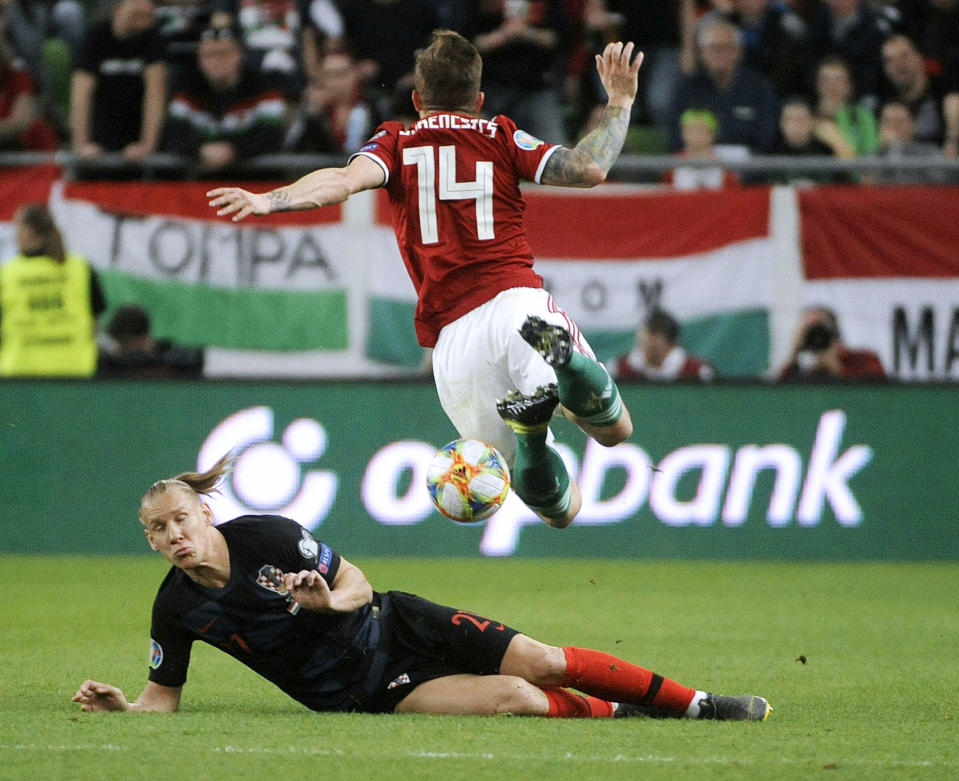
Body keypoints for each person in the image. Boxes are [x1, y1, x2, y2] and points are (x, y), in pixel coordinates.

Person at [208, 30, 639, 529]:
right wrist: (621, 100)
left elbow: (342, 182)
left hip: (455, 343)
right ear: (478, 100)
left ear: (416, 99)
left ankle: (532, 435)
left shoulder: (394, 141)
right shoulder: (499, 134)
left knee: (558, 513)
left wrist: (271, 199)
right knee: (615, 431)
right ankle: (563, 365)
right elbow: (587, 168)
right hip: (519, 308)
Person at [72, 455, 772, 721]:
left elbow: (356, 582)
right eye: (158, 530)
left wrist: (327, 598)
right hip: (362, 689)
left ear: (205, 513)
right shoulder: (177, 607)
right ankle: (621, 714)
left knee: (547, 663)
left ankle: (702, 705)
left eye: (180, 519)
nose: (173, 535)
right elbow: (162, 699)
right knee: (518, 699)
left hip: (397, 622)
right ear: (151, 540)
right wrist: (123, 706)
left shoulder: (269, 534)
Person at [161, 23, 286, 174]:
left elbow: (272, 135)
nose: (216, 61)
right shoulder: (186, 88)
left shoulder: (264, 87)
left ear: (239, 55)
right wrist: (199, 150)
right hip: (200, 182)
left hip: (254, 180)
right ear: (199, 60)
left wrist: (234, 151)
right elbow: (172, 135)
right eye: (209, 55)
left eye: (223, 54)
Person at [0, 203, 106, 377]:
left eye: (16, 229)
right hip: (75, 370)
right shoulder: (80, 268)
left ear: (29, 232)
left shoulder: (7, 274)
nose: (15, 236)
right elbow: (95, 323)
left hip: (20, 374)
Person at [667, 15, 779, 155]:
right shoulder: (686, 88)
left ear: (737, 52)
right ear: (702, 53)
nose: (718, 54)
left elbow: (766, 138)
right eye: (712, 48)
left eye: (725, 48)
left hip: (748, 168)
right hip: (697, 166)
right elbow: (675, 139)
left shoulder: (759, 88)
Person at [70, 0, 167, 161]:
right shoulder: (96, 37)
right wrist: (81, 143)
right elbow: (81, 93)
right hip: (100, 137)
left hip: (136, 135)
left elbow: (155, 92)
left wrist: (147, 144)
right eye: (136, 13)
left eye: (148, 15)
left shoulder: (154, 39)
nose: (143, 20)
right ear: (117, 10)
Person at [879, 34, 959, 155]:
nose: (898, 64)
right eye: (889, 60)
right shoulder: (885, 100)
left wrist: (953, 134)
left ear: (919, 56)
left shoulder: (944, 94)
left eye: (904, 56)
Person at [283, 48, 374, 153]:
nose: (335, 82)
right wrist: (314, 115)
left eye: (340, 74)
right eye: (328, 75)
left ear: (355, 74)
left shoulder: (373, 106)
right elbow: (292, 150)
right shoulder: (310, 109)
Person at [777, 305, 885, 382]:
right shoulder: (797, 368)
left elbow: (879, 394)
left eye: (820, 329)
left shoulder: (864, 360)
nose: (816, 337)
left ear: (834, 334)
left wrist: (836, 368)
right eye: (809, 331)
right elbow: (779, 396)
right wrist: (795, 354)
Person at [97, 303, 204, 378]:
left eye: (126, 343)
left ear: (144, 338)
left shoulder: (175, 363)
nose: (121, 348)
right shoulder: (113, 364)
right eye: (119, 343)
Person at [608, 308, 714, 382]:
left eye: (655, 341)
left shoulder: (697, 372)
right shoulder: (618, 369)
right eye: (645, 339)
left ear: (671, 344)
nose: (649, 345)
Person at [812, 55, 879, 159]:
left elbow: (871, 157)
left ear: (849, 86)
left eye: (838, 80)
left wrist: (837, 142)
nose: (832, 86)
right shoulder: (806, 116)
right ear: (817, 84)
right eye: (826, 80)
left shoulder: (863, 116)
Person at [663, 107, 739, 190]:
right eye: (690, 130)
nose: (696, 135)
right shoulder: (672, 166)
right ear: (683, 133)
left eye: (701, 130)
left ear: (712, 134)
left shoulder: (725, 168)